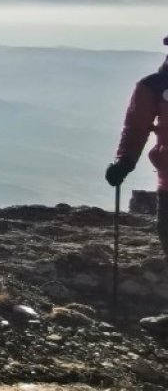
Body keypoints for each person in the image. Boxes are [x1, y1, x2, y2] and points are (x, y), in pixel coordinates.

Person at [105, 36, 168, 334]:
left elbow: (136, 126)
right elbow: (137, 126)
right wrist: (124, 163)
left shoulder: (155, 86)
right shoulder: (155, 86)